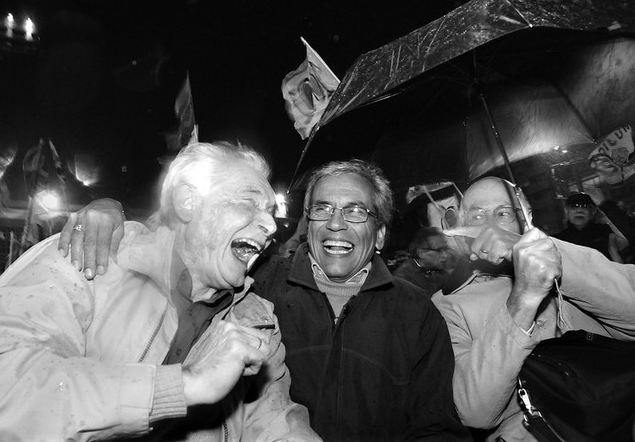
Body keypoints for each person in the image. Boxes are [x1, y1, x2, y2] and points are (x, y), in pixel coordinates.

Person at [59, 159, 471, 442]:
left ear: (380, 235)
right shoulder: (255, 290)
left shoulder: (417, 312)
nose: (336, 223)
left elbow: (437, 427)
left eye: (356, 211)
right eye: (321, 208)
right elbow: (193, 246)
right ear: (307, 224)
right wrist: (110, 213)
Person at [0, 142, 320, 442]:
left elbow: (273, 424)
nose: (270, 224)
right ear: (189, 201)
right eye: (248, 201)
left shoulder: (256, 321)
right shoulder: (88, 258)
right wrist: (183, 385)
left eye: (271, 211)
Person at [431, 176, 635, 442]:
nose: (490, 226)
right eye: (477, 217)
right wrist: (523, 299)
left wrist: (548, 258)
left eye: (503, 213)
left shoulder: (571, 258)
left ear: (526, 216)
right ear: (461, 229)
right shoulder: (447, 303)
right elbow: (475, 411)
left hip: (620, 412)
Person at [553, 191, 635, 264]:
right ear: (567, 211)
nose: (579, 210)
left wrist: (605, 205)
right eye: (573, 206)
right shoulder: (557, 241)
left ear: (593, 211)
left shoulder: (607, 233)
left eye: (585, 206)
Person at [392, 226, 457, 295]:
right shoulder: (404, 280)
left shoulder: (438, 267)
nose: (445, 255)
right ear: (422, 253)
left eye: (445, 249)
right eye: (439, 250)